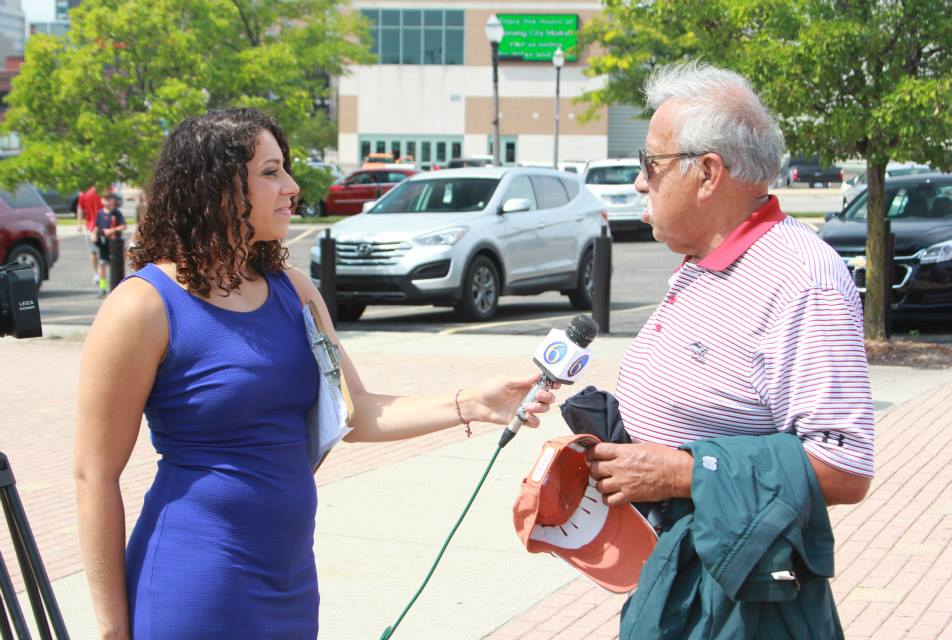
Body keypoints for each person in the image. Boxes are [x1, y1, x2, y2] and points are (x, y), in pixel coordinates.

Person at [74, 108, 556, 639]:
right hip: (195, 580)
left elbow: (359, 412)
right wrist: (112, 627)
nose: (292, 186)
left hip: (288, 582)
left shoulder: (294, 290)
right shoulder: (143, 306)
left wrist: (476, 403)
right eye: (270, 171)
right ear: (214, 187)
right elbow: (94, 475)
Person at [584, 63, 875, 635]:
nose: (641, 182)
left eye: (652, 164)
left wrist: (678, 473)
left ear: (708, 173)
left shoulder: (800, 277)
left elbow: (844, 466)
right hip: (685, 572)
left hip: (741, 596)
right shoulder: (701, 263)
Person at [92, 193, 127, 296]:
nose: (107, 201)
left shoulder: (117, 213)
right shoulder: (100, 213)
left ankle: (117, 286)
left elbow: (123, 226)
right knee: (102, 264)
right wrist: (94, 235)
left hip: (115, 244)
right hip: (104, 243)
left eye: (109, 199)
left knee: (116, 266)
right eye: (105, 199)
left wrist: (112, 230)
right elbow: (97, 226)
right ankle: (103, 287)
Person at [77, 185, 103, 286]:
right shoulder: (101, 190)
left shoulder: (83, 193)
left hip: (90, 226)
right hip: (102, 225)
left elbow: (80, 208)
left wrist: (78, 223)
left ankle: (96, 274)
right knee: (101, 252)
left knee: (93, 252)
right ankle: (101, 275)